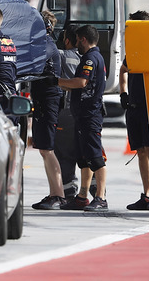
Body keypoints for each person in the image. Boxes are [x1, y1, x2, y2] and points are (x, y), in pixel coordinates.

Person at [58, 25, 108, 212]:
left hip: (90, 115)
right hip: (82, 115)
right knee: (84, 158)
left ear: (84, 39)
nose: (76, 43)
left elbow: (81, 82)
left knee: (95, 157)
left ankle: (101, 197)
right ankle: (82, 197)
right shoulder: (94, 57)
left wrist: (56, 81)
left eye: (78, 39)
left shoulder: (90, 58)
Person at [120, 10, 149, 211]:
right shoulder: (135, 49)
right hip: (135, 105)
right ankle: (146, 194)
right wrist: (123, 92)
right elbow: (123, 69)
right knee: (141, 151)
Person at [30, 11, 66, 210]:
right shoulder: (44, 43)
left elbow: (32, 66)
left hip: (49, 100)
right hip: (44, 100)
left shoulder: (45, 44)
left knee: (47, 149)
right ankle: (55, 193)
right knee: (44, 150)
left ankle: (58, 195)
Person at [55, 25, 81, 198]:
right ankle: (94, 189)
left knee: (64, 153)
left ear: (67, 40)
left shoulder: (62, 55)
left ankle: (69, 190)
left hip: (67, 109)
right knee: (85, 152)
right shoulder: (90, 57)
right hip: (85, 111)